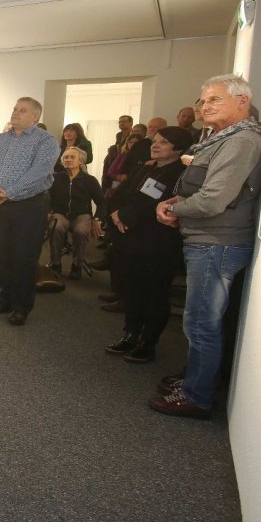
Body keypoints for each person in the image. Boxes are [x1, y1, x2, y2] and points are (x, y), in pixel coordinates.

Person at [150, 74, 261, 419]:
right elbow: (197, 189)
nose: (205, 106)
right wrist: (174, 201)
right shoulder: (222, 138)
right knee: (199, 321)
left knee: (201, 323)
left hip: (216, 243)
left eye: (215, 99)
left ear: (242, 101)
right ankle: (194, 379)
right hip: (206, 240)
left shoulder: (241, 142)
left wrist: (173, 209)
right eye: (203, 100)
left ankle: (197, 396)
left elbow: (213, 200)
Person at [104, 126, 191, 363]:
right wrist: (115, 213)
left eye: (163, 142)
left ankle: (148, 342)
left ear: (178, 148)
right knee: (131, 291)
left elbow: (160, 205)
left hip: (158, 243)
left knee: (153, 294)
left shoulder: (181, 174)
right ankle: (130, 334)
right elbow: (120, 194)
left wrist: (125, 215)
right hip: (130, 239)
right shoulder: (146, 167)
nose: (155, 145)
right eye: (155, 140)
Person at [0, 97, 60, 326]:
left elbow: (39, 173)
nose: (15, 113)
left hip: (29, 206)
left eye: (22, 110)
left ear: (35, 116)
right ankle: (6, 298)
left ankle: (21, 306)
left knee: (24, 257)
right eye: (15, 109)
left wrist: (9, 192)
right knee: (4, 255)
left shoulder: (46, 141)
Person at [47, 146, 105, 279]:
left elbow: (102, 202)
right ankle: (56, 264)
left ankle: (77, 265)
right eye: (66, 157)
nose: (68, 159)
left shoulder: (90, 180)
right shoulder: (56, 178)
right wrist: (47, 211)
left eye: (72, 157)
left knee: (81, 231)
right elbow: (47, 198)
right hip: (61, 214)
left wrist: (97, 219)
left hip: (81, 215)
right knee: (55, 227)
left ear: (81, 161)